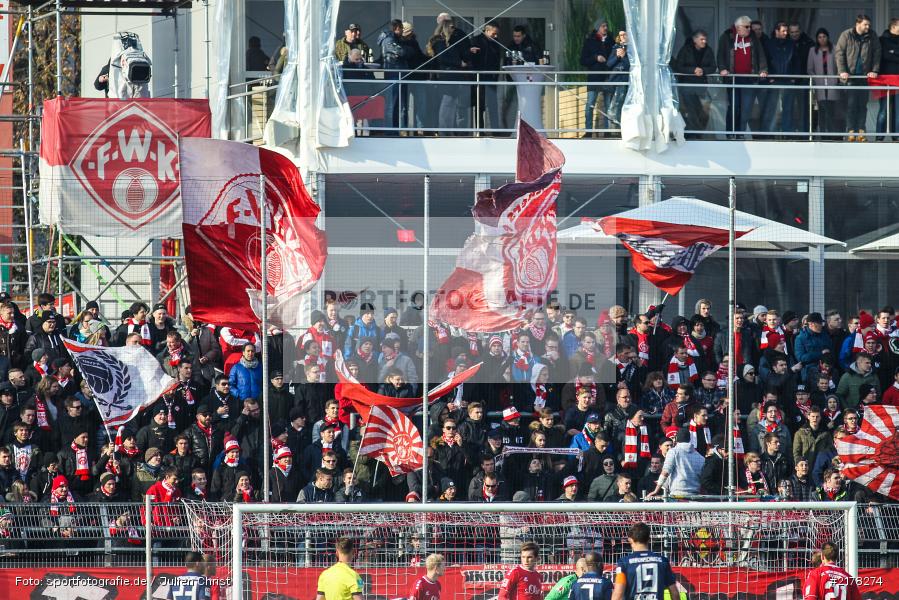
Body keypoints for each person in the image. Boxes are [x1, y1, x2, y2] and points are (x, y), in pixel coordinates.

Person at [717, 16, 768, 135]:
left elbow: (760, 54)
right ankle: (730, 133)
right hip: (733, 79)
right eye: (747, 27)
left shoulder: (753, 37)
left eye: (750, 27)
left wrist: (763, 69)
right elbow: (720, 55)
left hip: (749, 78)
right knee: (734, 107)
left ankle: (740, 133)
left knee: (746, 108)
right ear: (738, 27)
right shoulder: (727, 36)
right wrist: (722, 69)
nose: (750, 29)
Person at [835, 14, 881, 141]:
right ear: (858, 24)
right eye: (865, 24)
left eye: (869, 25)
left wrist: (874, 70)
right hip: (850, 77)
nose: (868, 27)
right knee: (851, 105)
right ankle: (851, 131)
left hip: (864, 77)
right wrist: (842, 71)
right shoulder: (846, 35)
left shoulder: (872, 36)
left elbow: (877, 53)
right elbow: (839, 53)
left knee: (862, 105)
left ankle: (861, 131)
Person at [612, 523, 680, 600]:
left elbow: (618, 594)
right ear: (649, 539)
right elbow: (675, 593)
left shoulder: (624, 562)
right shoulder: (662, 561)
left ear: (630, 540)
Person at [671, 30, 717, 134]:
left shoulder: (708, 50)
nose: (704, 41)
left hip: (702, 86)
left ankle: (698, 131)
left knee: (701, 110)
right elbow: (679, 67)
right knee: (691, 109)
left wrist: (703, 70)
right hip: (687, 85)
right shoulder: (686, 50)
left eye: (705, 39)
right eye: (701, 39)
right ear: (694, 40)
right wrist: (693, 70)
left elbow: (713, 67)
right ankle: (693, 132)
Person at [645, 428, 705, 498]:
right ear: (689, 439)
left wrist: (656, 491)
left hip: (678, 495)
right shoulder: (700, 457)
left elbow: (665, 472)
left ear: (676, 439)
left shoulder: (673, 452)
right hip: (695, 496)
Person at [581, 20, 615, 134]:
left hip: (607, 77)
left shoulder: (611, 41)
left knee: (608, 106)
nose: (605, 28)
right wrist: (596, 58)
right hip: (594, 77)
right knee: (590, 105)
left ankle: (607, 131)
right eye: (603, 26)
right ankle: (588, 131)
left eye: (606, 26)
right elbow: (583, 60)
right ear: (597, 28)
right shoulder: (590, 41)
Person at [808, 28, 841, 134]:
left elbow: (839, 66)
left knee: (831, 110)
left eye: (824, 37)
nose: (822, 39)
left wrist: (837, 78)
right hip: (819, 84)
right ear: (817, 39)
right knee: (821, 110)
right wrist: (816, 79)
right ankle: (822, 132)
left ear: (828, 37)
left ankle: (831, 133)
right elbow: (809, 69)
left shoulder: (835, 49)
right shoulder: (813, 50)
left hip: (832, 83)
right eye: (819, 37)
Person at [878, 18, 899, 139]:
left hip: (898, 80)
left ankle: (896, 136)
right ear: (893, 26)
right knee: (883, 110)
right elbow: (885, 56)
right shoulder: (882, 40)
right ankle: (879, 137)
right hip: (885, 79)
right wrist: (893, 54)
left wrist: (893, 52)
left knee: (898, 110)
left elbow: (890, 55)